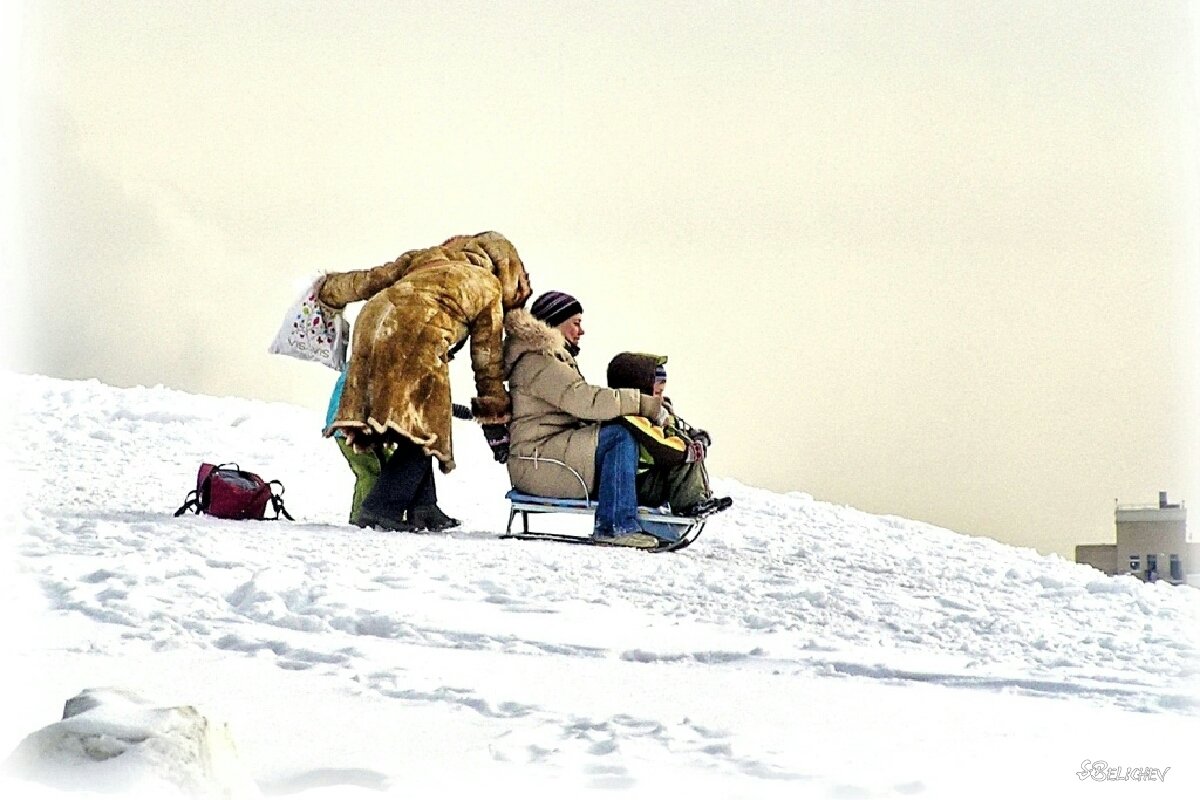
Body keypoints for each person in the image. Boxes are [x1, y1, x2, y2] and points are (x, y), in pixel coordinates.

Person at [317, 232, 532, 532]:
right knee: (428, 432)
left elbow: (370, 279)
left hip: (373, 325)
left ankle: (424, 508)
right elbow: (487, 361)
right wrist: (495, 414)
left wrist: (328, 289)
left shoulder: (426, 257)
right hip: (416, 336)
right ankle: (381, 508)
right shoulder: (487, 287)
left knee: (415, 428)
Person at [502, 291, 667, 548]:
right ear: (554, 324)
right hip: (538, 461)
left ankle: (637, 513)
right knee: (618, 437)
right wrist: (644, 404)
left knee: (620, 431)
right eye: (575, 323)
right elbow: (584, 401)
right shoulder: (538, 361)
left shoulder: (551, 357)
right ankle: (615, 527)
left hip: (549, 454)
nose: (582, 331)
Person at [605, 352, 732, 517]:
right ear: (639, 391)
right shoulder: (630, 416)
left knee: (686, 451)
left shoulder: (657, 411)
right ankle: (690, 503)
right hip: (636, 484)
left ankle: (699, 497)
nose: (661, 398)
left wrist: (694, 435)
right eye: (657, 393)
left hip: (648, 479)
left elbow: (675, 429)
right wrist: (690, 450)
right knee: (682, 456)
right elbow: (660, 446)